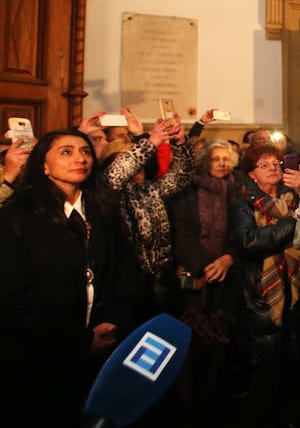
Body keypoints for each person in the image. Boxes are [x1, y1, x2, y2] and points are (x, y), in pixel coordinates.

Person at [0, 129, 138, 426]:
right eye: (66, 152)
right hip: (40, 355)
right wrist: (79, 341)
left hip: (103, 349)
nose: (80, 158)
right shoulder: (19, 214)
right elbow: (11, 296)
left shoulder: (104, 210)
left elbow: (126, 271)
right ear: (44, 166)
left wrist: (115, 321)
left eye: (85, 151)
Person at [227, 143, 300, 425]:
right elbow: (250, 242)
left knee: (292, 375)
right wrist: (292, 222)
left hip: (297, 294)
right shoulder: (243, 205)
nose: (271, 169)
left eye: (275, 163)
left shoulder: (296, 199)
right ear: (251, 174)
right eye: (263, 165)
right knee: (265, 378)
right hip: (262, 299)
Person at [168, 138, 242, 426]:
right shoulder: (188, 190)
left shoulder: (239, 189)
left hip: (229, 276)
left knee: (223, 352)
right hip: (196, 279)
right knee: (194, 351)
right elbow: (182, 234)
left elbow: (241, 232)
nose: (222, 163)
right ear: (204, 162)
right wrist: (207, 265)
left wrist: (228, 258)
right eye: (215, 158)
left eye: (226, 158)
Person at [102, 115, 193, 320]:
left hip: (162, 280)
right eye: (129, 160)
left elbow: (182, 175)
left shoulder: (151, 189)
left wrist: (180, 143)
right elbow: (115, 175)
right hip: (128, 285)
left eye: (141, 161)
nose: (137, 166)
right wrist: (150, 141)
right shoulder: (108, 193)